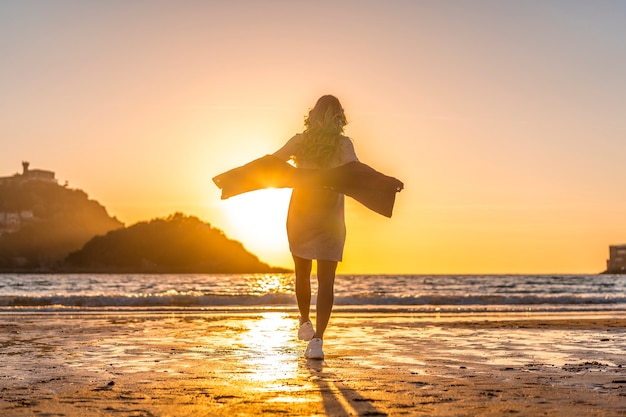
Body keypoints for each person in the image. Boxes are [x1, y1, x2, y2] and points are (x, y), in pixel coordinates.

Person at [273, 95, 358, 360]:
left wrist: (239, 177)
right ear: (339, 117)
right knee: (326, 281)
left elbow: (272, 161)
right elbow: (359, 172)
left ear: (314, 114)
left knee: (302, 273)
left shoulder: (301, 141)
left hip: (301, 215)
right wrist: (385, 185)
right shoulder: (343, 145)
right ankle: (318, 340)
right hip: (330, 218)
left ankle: (304, 321)